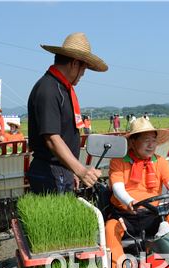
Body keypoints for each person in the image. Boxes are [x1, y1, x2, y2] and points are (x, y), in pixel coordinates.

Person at [105, 117, 169, 268]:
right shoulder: (118, 161)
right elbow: (117, 187)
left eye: (154, 141)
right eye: (146, 141)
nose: (151, 145)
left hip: (153, 215)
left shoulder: (159, 161)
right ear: (133, 142)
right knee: (110, 230)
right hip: (126, 216)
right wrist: (129, 201)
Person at [27, 32, 107, 194]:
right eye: (84, 69)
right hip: (49, 171)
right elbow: (52, 138)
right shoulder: (49, 89)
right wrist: (80, 170)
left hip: (62, 170)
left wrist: (71, 169)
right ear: (75, 63)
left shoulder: (62, 89)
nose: (83, 75)